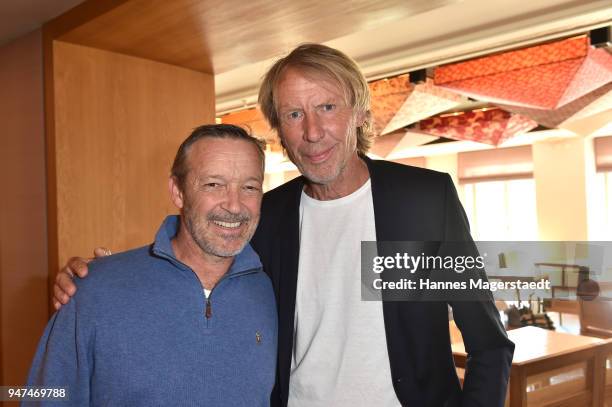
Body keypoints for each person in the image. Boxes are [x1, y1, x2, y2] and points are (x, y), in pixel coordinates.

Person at [54, 44, 514, 406]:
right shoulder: (266, 214)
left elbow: (488, 342)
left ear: (357, 112)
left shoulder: (423, 200)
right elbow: (198, 256)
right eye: (294, 115)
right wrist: (99, 282)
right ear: (280, 129)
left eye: (327, 108)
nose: (312, 132)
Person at [28, 124, 277, 406]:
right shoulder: (93, 290)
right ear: (178, 191)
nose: (234, 205)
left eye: (249, 187)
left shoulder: (269, 291)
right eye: (213, 184)